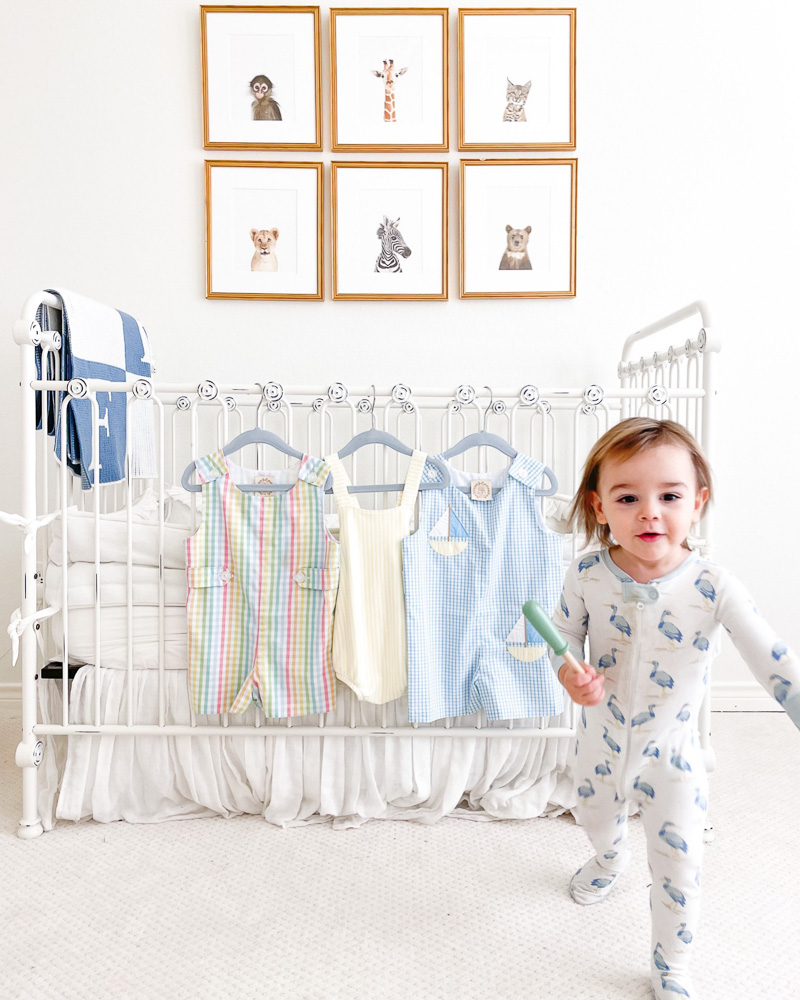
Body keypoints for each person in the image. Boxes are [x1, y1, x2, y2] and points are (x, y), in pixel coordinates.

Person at [551, 418, 800, 1000]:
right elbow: (562, 638)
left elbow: (771, 654)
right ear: (599, 504)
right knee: (594, 819)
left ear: (698, 503)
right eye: (627, 497)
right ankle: (609, 859)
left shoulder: (714, 585)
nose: (649, 512)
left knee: (679, 868)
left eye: (669, 496)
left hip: (676, 759)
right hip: (599, 744)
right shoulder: (588, 573)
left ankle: (672, 963)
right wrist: (571, 674)